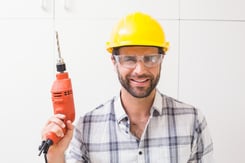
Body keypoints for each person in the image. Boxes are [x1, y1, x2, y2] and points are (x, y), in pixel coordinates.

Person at [41, 11, 214, 163]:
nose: (140, 70)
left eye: (150, 58)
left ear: (162, 59)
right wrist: (55, 157)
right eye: (129, 59)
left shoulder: (192, 121)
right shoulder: (87, 127)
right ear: (114, 61)